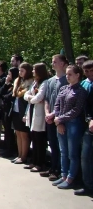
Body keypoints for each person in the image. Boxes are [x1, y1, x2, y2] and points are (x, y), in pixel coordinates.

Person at [51, 65, 88, 189]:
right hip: (60, 122)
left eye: (70, 74)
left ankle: (71, 178)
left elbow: (76, 110)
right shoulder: (64, 88)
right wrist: (59, 121)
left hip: (74, 124)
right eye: (66, 74)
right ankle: (63, 175)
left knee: (72, 153)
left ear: (78, 75)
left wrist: (60, 119)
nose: (67, 77)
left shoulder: (81, 91)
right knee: (63, 151)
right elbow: (57, 104)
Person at [40, 54, 68, 180]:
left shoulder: (66, 81)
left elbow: (65, 102)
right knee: (52, 144)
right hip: (50, 117)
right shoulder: (50, 81)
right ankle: (53, 167)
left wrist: (53, 115)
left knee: (60, 145)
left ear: (62, 64)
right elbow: (47, 99)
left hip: (60, 118)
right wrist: (47, 113)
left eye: (55, 61)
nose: (53, 64)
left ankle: (60, 170)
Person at [24, 63, 49, 172]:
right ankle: (34, 161)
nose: (33, 71)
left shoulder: (45, 82)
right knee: (33, 137)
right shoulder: (35, 82)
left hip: (40, 113)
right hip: (32, 111)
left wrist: (31, 98)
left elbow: (39, 97)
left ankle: (40, 163)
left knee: (40, 140)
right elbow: (26, 94)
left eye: (34, 69)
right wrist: (31, 98)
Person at [76, 60, 93, 196]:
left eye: (91, 70)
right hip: (85, 123)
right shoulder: (84, 83)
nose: (88, 73)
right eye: (86, 71)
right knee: (85, 156)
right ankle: (87, 185)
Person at [12, 62, 33, 164]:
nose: (20, 72)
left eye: (22, 71)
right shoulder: (18, 81)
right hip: (16, 110)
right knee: (18, 133)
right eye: (19, 70)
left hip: (24, 110)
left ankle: (24, 156)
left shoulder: (30, 82)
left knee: (24, 134)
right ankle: (19, 154)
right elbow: (14, 94)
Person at [0, 67, 19, 158]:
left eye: (10, 74)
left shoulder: (16, 84)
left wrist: (4, 96)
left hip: (10, 110)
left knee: (9, 131)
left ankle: (11, 149)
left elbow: (9, 96)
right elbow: (0, 93)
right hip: (4, 109)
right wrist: (6, 84)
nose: (8, 76)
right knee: (6, 130)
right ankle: (6, 148)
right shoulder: (8, 84)